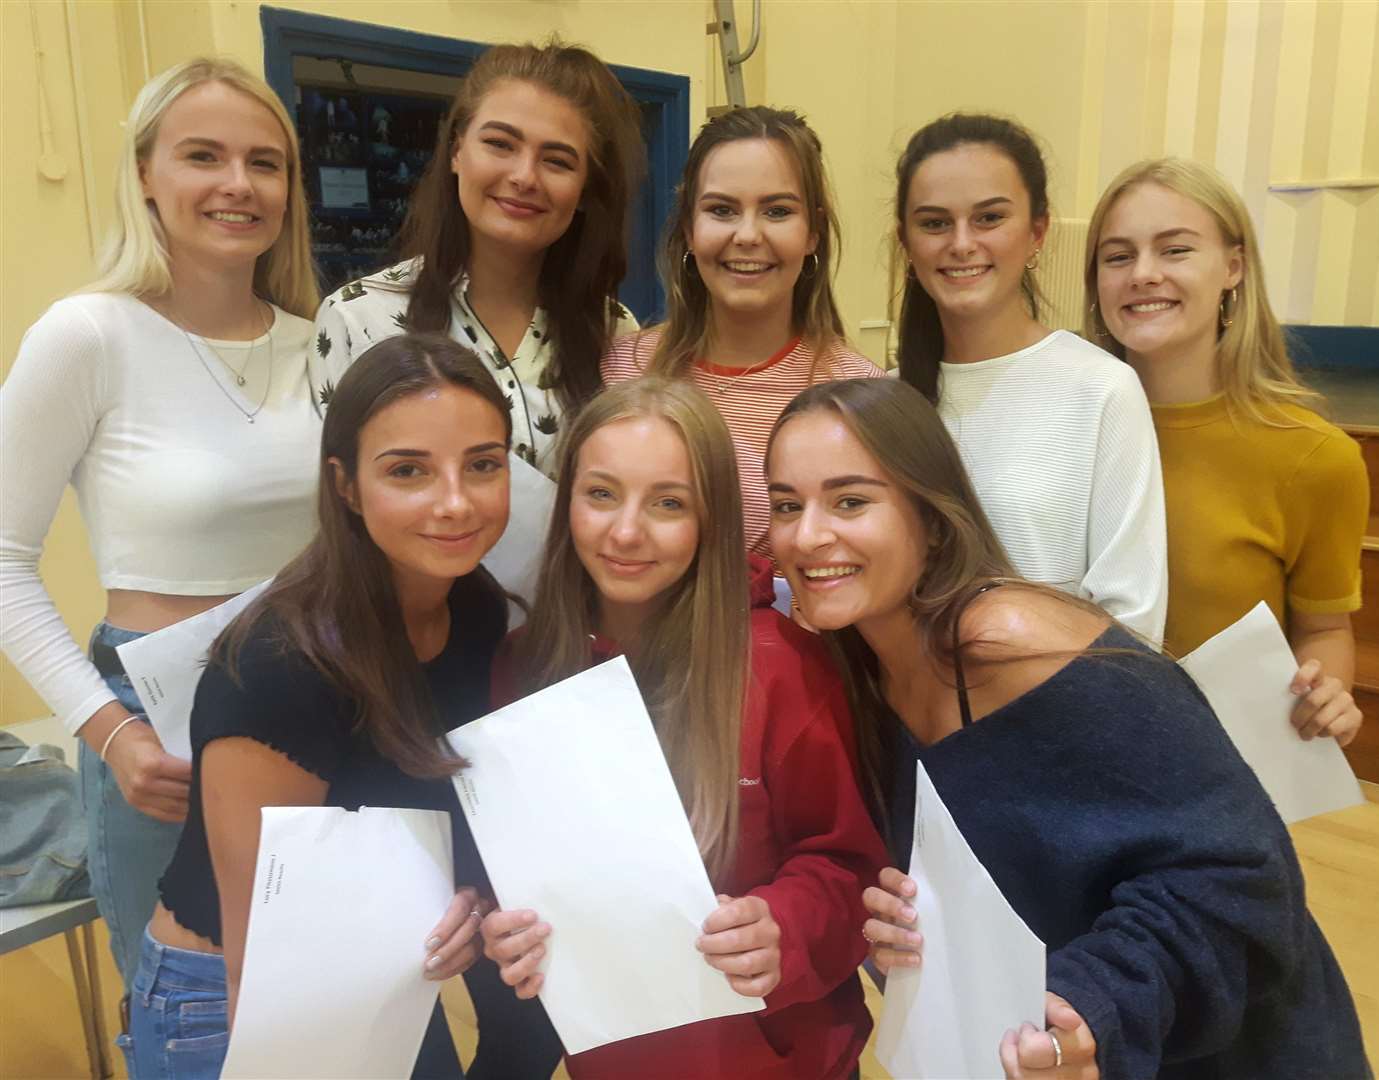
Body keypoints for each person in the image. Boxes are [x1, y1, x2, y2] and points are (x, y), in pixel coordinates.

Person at [766, 377, 1370, 1080]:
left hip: (1230, 1052)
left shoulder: (1015, 644)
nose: (808, 535)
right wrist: (898, 933)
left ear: (930, 514)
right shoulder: (852, 667)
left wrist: (1096, 1002)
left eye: (850, 501)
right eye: (786, 505)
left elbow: (1240, 872)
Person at [0, 57, 320, 989]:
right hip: (158, 725)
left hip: (315, 693)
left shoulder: (322, 343)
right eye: (203, 156)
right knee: (186, 1014)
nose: (238, 184)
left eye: (266, 162)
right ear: (145, 172)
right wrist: (108, 731)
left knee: (325, 1006)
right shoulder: (88, 335)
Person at [126, 334, 512, 1079]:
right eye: (409, 471)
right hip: (231, 1001)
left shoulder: (477, 612)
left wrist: (463, 898)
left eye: (483, 465)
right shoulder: (280, 668)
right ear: (345, 485)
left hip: (375, 968)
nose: (455, 501)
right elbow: (263, 977)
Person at [481, 377, 888, 1079]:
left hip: (778, 1060)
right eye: (601, 493)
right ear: (566, 502)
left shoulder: (780, 665)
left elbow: (851, 868)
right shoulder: (525, 667)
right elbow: (524, 871)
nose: (627, 531)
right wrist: (506, 930)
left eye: (668, 503)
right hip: (612, 1055)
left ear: (712, 520)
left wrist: (782, 926)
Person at [1085, 158, 1368, 745]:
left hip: (1225, 773)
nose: (1142, 274)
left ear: (1233, 267)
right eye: (1118, 256)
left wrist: (1328, 692)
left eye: (1175, 250)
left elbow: (1325, 630)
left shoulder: (1313, 457)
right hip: (1075, 758)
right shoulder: (1064, 426)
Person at [891, 113, 1167, 640]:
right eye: (934, 223)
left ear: (1037, 231)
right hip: (905, 712)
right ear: (906, 241)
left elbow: (1133, 622)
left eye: (989, 218)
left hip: (1054, 711)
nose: (962, 243)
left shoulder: (1101, 389)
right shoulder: (890, 397)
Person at [311, 40, 645, 474]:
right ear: (456, 152)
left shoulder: (616, 333)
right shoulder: (357, 318)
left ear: (584, 191)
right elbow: (340, 511)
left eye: (557, 161)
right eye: (500, 144)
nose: (524, 176)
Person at [601, 107, 884, 561]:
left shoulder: (860, 394)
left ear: (812, 231)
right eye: (722, 210)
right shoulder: (620, 370)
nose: (748, 234)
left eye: (776, 211)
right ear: (690, 230)